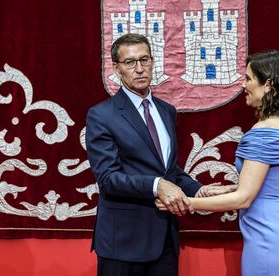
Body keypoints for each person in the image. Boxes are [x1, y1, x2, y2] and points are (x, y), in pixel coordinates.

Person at [86, 33, 225, 276]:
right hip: (123, 243)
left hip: (164, 239)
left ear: (152, 62)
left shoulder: (166, 111)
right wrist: (157, 185)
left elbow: (169, 171)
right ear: (117, 69)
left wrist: (197, 189)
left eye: (144, 59)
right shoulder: (101, 115)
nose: (139, 68)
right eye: (130, 63)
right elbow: (108, 179)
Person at [157, 50, 279, 276]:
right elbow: (272, 184)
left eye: (248, 79)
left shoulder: (264, 132)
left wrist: (185, 202)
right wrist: (232, 187)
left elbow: (244, 198)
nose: (243, 85)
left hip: (266, 237)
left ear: (268, 85)